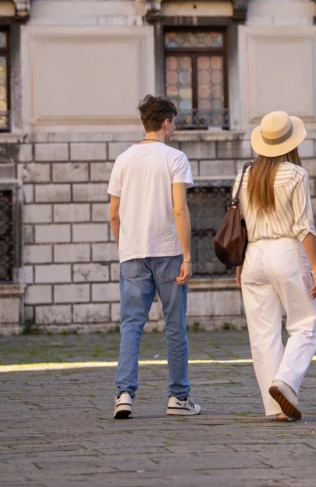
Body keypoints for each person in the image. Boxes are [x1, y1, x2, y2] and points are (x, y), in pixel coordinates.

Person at [108, 95, 202, 420]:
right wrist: (187, 256)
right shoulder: (175, 158)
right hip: (169, 252)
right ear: (165, 122)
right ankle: (178, 397)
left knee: (131, 327)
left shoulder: (123, 160)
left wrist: (125, 246)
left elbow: (114, 213)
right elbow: (180, 209)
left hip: (132, 254)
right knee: (175, 328)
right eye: (173, 122)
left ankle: (123, 394)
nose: (174, 128)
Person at [234, 111, 316, 422]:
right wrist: (315, 266)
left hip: (252, 256)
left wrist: (240, 262)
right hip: (286, 252)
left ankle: (275, 408)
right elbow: (303, 226)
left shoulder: (244, 175)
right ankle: (285, 382)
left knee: (263, 335)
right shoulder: (296, 174)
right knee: (305, 327)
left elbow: (240, 223)